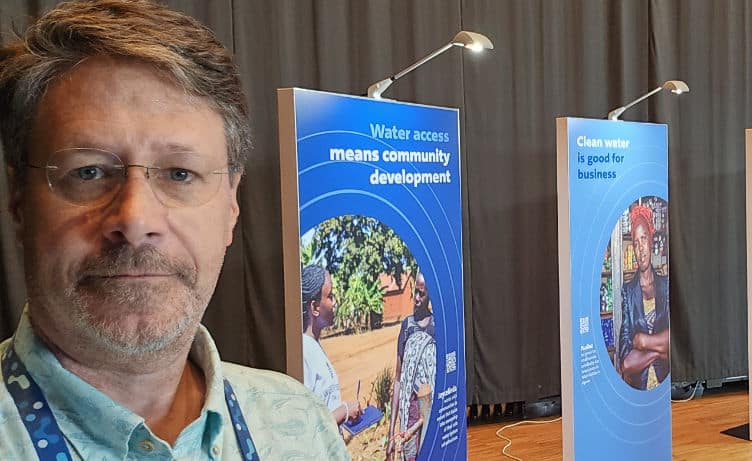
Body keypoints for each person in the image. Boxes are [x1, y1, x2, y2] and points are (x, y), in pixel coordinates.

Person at [0, 1, 348, 459]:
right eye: (87, 172)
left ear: (231, 205)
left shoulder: (301, 424)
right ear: (19, 201)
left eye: (180, 173)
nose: (136, 219)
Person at [617, 204, 669, 390]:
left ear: (651, 240)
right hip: (639, 390)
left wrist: (643, 342)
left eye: (644, 239)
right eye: (636, 243)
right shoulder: (628, 291)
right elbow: (626, 363)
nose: (640, 249)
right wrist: (661, 351)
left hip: (666, 386)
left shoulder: (666, 286)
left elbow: (675, 340)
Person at [301, 264, 361, 427]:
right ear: (314, 307)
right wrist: (345, 411)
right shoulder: (303, 353)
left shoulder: (315, 345)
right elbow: (307, 424)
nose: (335, 302)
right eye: (330, 296)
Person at [386, 273, 436, 461]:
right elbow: (399, 379)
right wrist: (391, 433)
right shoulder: (408, 326)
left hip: (431, 410)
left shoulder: (436, 327)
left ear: (430, 295)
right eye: (415, 292)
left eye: (421, 294)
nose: (416, 298)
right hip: (410, 412)